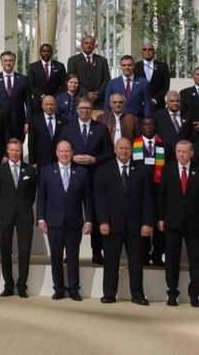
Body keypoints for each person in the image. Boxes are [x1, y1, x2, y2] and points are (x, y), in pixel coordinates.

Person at [94, 137, 153, 305]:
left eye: (127, 148)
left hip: (136, 226)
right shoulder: (103, 170)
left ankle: (137, 294)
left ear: (132, 150)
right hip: (111, 226)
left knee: (136, 262)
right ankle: (109, 294)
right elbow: (100, 199)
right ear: (114, 150)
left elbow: (147, 199)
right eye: (121, 148)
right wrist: (103, 221)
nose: (124, 151)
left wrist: (147, 222)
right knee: (111, 262)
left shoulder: (142, 171)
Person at [37, 140, 93, 301]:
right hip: (53, 222)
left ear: (72, 153)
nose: (64, 154)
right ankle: (59, 289)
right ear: (56, 153)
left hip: (74, 223)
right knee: (55, 257)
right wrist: (41, 218)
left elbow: (87, 199)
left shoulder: (81, 172)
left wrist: (88, 220)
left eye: (67, 151)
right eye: (61, 151)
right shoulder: (47, 171)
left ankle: (74, 289)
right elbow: (42, 198)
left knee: (73, 257)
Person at [67, 96, 113, 264]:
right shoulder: (68, 128)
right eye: (82, 108)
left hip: (94, 177)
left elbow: (109, 153)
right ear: (77, 109)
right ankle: (70, 253)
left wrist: (95, 159)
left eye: (88, 108)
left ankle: (97, 252)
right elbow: (60, 149)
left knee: (94, 214)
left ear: (92, 110)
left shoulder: (101, 129)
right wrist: (72, 157)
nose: (85, 111)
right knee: (71, 215)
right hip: (73, 177)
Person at [156, 139, 199, 307]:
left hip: (194, 224)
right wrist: (160, 218)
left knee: (196, 261)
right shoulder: (168, 169)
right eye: (178, 151)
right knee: (172, 260)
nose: (181, 154)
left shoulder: (197, 170)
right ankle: (172, 293)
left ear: (192, 153)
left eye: (184, 151)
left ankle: (195, 294)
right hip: (172, 222)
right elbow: (161, 195)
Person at [0, 139, 37, 298]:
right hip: (5, 215)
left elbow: (32, 195)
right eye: (12, 150)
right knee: (5, 252)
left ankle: (22, 286)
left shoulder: (30, 170)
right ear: (7, 151)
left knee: (24, 252)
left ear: (21, 151)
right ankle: (8, 285)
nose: (15, 153)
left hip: (24, 215)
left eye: (18, 150)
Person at [134, 117, 165, 267]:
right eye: (146, 124)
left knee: (160, 224)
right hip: (140, 191)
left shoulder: (163, 144)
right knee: (143, 223)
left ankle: (157, 255)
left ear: (156, 127)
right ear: (141, 127)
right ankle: (144, 255)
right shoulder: (134, 144)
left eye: (152, 124)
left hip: (159, 189)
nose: (149, 127)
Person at [0, 51, 32, 136]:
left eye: (10, 60)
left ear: (14, 62)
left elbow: (29, 102)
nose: (8, 63)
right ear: (1, 62)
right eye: (5, 60)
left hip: (18, 123)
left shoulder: (23, 79)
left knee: (17, 148)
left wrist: (28, 122)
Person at [66, 35, 110, 112]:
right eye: (86, 43)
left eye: (91, 43)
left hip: (99, 101)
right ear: (81, 45)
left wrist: (97, 94)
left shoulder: (102, 60)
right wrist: (86, 93)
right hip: (80, 99)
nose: (88, 45)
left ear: (94, 46)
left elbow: (107, 79)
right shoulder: (73, 60)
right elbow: (72, 80)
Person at [105, 55, 151, 121]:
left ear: (134, 66)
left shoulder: (143, 83)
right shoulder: (112, 83)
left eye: (129, 65)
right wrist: (108, 120)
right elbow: (107, 105)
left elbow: (147, 105)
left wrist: (147, 119)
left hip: (138, 120)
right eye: (124, 65)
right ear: (121, 66)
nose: (126, 67)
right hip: (118, 120)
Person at [26, 43, 66, 112]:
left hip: (55, 102)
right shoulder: (33, 67)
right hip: (38, 103)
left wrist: (53, 97)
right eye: (44, 51)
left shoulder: (60, 66)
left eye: (48, 51)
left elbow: (64, 85)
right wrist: (42, 97)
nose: (46, 53)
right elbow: (30, 85)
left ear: (52, 52)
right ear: (40, 53)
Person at [27, 95, 65, 167]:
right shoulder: (34, 121)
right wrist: (32, 162)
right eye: (47, 104)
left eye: (51, 104)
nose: (49, 107)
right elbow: (31, 143)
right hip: (41, 162)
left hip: (59, 161)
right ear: (42, 105)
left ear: (56, 105)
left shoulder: (63, 121)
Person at [135, 43, 170, 112]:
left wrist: (154, 100)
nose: (147, 51)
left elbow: (165, 87)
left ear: (154, 52)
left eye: (150, 49)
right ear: (141, 52)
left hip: (158, 106)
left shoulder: (163, 67)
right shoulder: (135, 67)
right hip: (139, 106)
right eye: (144, 49)